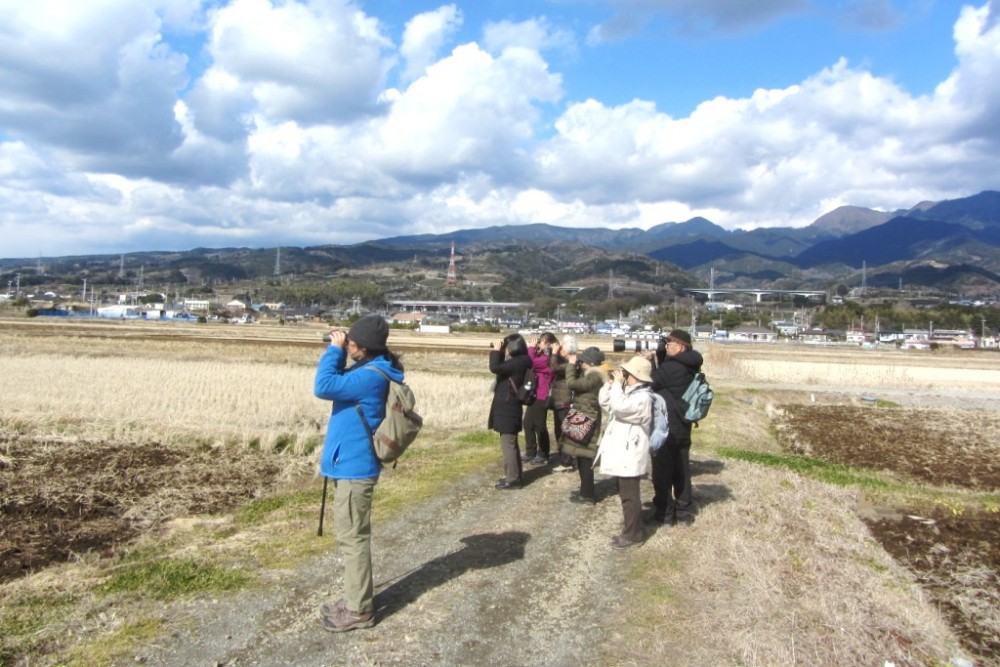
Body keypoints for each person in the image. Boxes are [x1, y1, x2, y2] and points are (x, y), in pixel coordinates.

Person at [314, 314, 404, 632]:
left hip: (355, 468)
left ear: (362, 348)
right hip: (351, 464)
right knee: (351, 535)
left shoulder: (370, 376)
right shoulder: (369, 368)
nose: (346, 343)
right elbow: (338, 384)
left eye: (350, 341)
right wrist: (340, 350)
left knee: (353, 539)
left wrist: (334, 351)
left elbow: (324, 386)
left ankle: (359, 610)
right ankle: (356, 597)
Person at [595, 355, 654, 550]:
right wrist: (610, 384)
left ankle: (634, 534)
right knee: (626, 494)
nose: (624, 375)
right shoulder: (628, 391)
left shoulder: (643, 397)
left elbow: (619, 407)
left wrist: (618, 386)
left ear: (635, 376)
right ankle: (632, 530)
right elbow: (606, 404)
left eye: (626, 373)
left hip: (632, 452)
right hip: (625, 451)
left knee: (630, 496)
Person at [648, 329, 704, 525]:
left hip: (668, 424)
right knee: (681, 469)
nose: (666, 346)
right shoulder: (689, 363)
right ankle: (683, 512)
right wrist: (661, 357)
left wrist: (650, 362)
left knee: (662, 470)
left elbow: (652, 382)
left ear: (680, 346)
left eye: (669, 344)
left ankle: (664, 512)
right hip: (682, 423)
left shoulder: (674, 367)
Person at [560, 346, 606, 502]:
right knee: (581, 456)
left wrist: (571, 365)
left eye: (583, 361)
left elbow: (572, 383)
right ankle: (585, 491)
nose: (581, 363)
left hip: (587, 419)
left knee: (585, 458)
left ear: (590, 362)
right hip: (585, 416)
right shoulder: (592, 374)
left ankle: (587, 495)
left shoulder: (594, 377)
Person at [489, 333, 532, 489]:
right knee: (511, 444)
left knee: (508, 444)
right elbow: (501, 369)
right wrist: (499, 352)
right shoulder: (522, 361)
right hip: (510, 407)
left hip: (508, 408)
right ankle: (515, 476)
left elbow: (495, 368)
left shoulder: (517, 363)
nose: (505, 349)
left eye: (506, 347)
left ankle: (512, 480)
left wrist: (495, 351)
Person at [523, 332, 557, 465]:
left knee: (539, 426)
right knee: (527, 424)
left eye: (540, 342)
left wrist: (531, 348)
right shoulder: (544, 355)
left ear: (548, 343)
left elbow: (530, 363)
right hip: (535, 393)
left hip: (542, 395)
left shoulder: (551, 358)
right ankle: (530, 451)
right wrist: (536, 350)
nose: (538, 344)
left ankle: (543, 453)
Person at [549, 335, 577, 472]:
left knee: (563, 432)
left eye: (562, 347)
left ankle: (567, 462)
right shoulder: (567, 360)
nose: (559, 349)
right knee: (559, 431)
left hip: (564, 401)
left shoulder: (571, 363)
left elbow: (554, 367)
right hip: (560, 400)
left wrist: (554, 352)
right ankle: (565, 459)